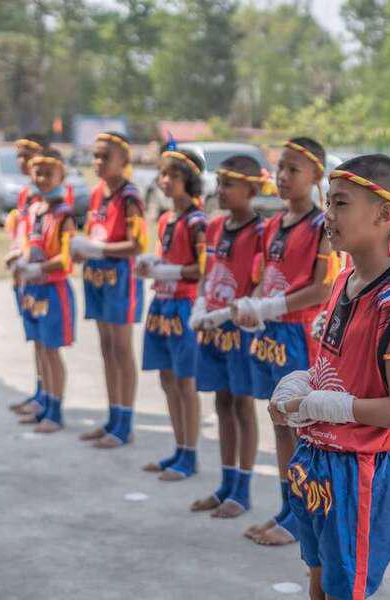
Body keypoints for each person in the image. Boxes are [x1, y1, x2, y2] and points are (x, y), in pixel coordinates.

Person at [271, 153, 390, 600]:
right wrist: (302, 384)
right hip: (318, 461)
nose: (328, 214)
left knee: (344, 591)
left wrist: (328, 405)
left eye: (341, 204)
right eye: (328, 202)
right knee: (318, 582)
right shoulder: (345, 281)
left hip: (358, 475)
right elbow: (338, 371)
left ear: (383, 215)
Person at [233, 137, 338, 546]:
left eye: (294, 169)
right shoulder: (273, 224)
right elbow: (264, 277)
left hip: (299, 332)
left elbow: (322, 287)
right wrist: (253, 305)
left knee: (301, 427)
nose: (283, 176)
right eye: (280, 167)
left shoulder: (321, 226)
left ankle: (304, 516)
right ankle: (287, 508)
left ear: (316, 175)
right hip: (272, 332)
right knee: (278, 422)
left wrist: (272, 305)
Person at [189, 155, 273, 518]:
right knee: (221, 402)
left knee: (242, 405)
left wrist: (229, 313)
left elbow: (260, 284)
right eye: (219, 183)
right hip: (212, 327)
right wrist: (200, 307)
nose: (220, 191)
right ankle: (225, 482)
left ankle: (242, 489)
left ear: (251, 190)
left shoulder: (262, 232)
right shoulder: (214, 227)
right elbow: (208, 274)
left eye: (229, 184)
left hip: (239, 328)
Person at [71, 132, 147, 448]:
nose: (98, 162)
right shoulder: (97, 194)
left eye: (105, 156)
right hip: (97, 278)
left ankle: (125, 423)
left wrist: (97, 250)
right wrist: (82, 249)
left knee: (121, 348)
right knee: (106, 348)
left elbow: (137, 244)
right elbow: (95, 233)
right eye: (95, 155)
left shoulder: (130, 197)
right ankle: (113, 416)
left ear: (123, 160)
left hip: (121, 279)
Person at [139, 147, 207, 480]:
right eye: (163, 174)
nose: (165, 181)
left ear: (189, 180)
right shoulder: (166, 218)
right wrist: (151, 264)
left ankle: (190, 455)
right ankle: (179, 448)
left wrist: (169, 271)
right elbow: (164, 254)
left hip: (183, 305)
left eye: (174, 175)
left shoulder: (197, 221)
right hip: (161, 304)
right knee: (167, 379)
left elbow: (202, 268)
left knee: (185, 382)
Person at [12, 148, 78, 434]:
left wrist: (37, 269)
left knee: (52, 351)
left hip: (53, 290)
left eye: (49, 174)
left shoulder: (64, 214)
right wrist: (19, 260)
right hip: (34, 290)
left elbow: (66, 258)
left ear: (61, 176)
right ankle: (45, 405)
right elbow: (28, 243)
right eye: (38, 173)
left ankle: (55, 411)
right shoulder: (35, 209)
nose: (42, 179)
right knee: (40, 348)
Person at [5, 133, 50, 415]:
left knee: (45, 340)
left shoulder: (47, 193)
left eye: (28, 155)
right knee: (34, 337)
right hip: (22, 271)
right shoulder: (25, 193)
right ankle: (39, 389)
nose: (22, 161)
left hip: (38, 272)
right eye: (19, 156)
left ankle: (48, 395)